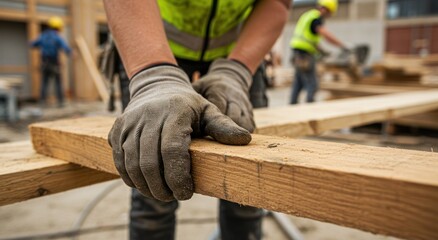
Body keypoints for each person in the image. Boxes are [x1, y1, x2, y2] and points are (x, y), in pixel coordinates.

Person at [103, 0, 290, 239]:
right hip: (149, 42)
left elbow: (277, 3)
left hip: (239, 51)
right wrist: (153, 74)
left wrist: (237, 71)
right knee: (152, 174)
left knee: (248, 179)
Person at [289, 0, 348, 104]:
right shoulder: (316, 19)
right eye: (330, 13)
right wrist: (342, 45)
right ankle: (310, 108)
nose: (329, 16)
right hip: (305, 55)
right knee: (312, 83)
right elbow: (326, 34)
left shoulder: (308, 15)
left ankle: (292, 106)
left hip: (297, 53)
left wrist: (322, 51)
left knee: (298, 83)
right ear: (327, 10)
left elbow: (310, 39)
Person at [31, 16, 71, 107]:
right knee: (58, 82)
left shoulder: (43, 35)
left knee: (45, 82)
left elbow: (33, 44)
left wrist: (36, 44)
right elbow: (64, 47)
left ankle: (42, 102)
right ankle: (61, 102)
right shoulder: (57, 37)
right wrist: (71, 53)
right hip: (54, 62)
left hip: (45, 62)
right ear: (58, 27)